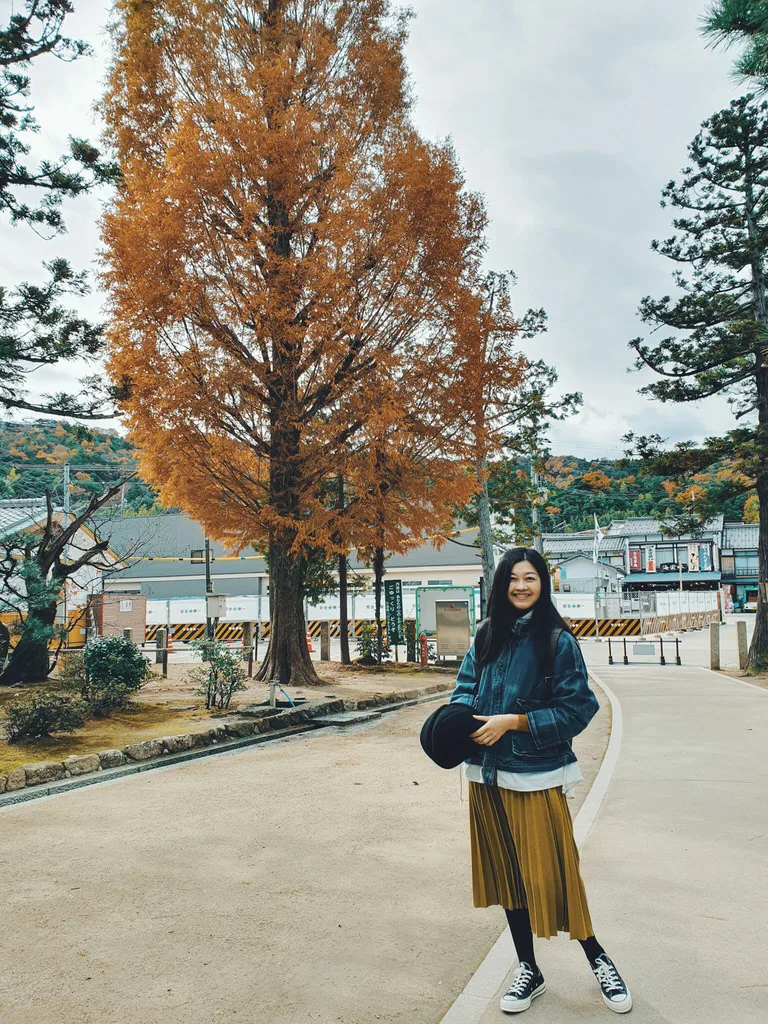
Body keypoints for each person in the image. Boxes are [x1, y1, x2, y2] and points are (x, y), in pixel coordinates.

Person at [449, 548, 632, 1015]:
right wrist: (458, 722)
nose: (521, 586)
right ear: (501, 585)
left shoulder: (557, 640)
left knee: (556, 874)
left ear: (543, 583)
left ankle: (598, 958)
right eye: (512, 578)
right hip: (486, 775)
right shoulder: (486, 634)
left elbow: (578, 709)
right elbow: (463, 691)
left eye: (530, 578)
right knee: (509, 876)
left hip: (536, 774)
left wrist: (515, 722)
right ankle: (528, 968)